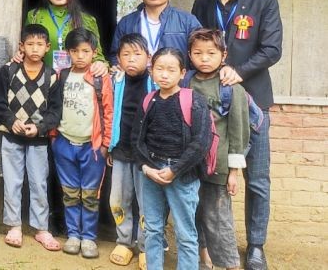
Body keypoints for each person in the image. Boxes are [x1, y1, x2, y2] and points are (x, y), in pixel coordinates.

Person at [191, 0, 282, 270]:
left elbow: (272, 49)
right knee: (207, 176)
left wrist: (238, 71)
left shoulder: (264, 3)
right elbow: (194, 46)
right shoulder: (202, 4)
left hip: (253, 102)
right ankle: (204, 244)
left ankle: (256, 245)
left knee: (256, 177)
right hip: (211, 108)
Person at [133, 47, 212, 270]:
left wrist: (175, 169)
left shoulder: (193, 100)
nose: (164, 75)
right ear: (151, 71)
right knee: (153, 229)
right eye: (159, 68)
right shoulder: (149, 101)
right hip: (152, 172)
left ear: (182, 72)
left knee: (185, 234)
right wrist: (146, 168)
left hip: (183, 175)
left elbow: (201, 142)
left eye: (171, 69)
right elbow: (137, 140)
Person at [0, 24, 63, 251]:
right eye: (30, 44)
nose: (34, 49)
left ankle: (41, 228)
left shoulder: (52, 76)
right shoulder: (9, 71)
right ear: (21, 46)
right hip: (12, 137)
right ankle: (14, 225)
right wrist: (12, 122)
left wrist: (40, 128)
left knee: (38, 183)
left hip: (39, 140)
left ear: (47, 47)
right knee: (13, 182)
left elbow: (55, 111)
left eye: (39, 44)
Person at [186, 29, 249, 270]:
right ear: (189, 55)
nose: (204, 58)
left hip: (219, 166)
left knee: (218, 218)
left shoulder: (230, 88)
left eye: (211, 53)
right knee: (195, 212)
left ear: (223, 55)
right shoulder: (186, 82)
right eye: (198, 53)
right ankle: (204, 258)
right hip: (190, 164)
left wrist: (233, 172)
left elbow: (238, 132)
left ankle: (230, 264)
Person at [50, 28, 113, 259]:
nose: (80, 56)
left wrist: (105, 144)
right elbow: (53, 107)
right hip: (64, 142)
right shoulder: (61, 76)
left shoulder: (100, 78)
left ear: (94, 52)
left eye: (85, 51)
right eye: (74, 51)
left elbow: (109, 110)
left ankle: (89, 237)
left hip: (92, 146)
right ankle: (73, 235)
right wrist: (54, 137)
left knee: (89, 194)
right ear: (67, 53)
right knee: (69, 192)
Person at [107, 33, 153, 267]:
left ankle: (146, 247)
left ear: (148, 57)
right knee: (118, 199)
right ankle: (124, 242)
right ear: (118, 58)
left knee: (147, 203)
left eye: (137, 54)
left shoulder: (155, 82)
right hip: (122, 150)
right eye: (126, 55)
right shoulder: (116, 81)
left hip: (147, 155)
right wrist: (109, 146)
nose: (132, 60)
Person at [110, 0, 202, 64]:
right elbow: (115, 56)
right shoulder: (127, 23)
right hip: (138, 79)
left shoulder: (187, 21)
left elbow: (201, 53)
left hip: (176, 79)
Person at [24, 0, 108, 76]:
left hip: (76, 82)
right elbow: (25, 47)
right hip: (42, 79)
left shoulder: (87, 20)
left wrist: (100, 64)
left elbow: (97, 55)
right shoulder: (35, 16)